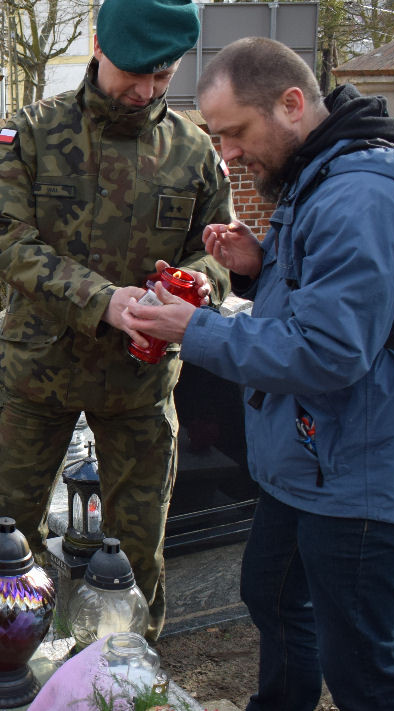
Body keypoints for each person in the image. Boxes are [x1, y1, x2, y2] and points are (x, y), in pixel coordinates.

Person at [122, 37, 394, 711]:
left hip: (361, 468)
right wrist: (260, 267)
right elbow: (326, 298)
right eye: (216, 137)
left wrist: (193, 329)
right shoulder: (324, 177)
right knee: (272, 592)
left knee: (364, 669)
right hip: (314, 458)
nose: (226, 154)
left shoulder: (360, 196)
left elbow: (328, 352)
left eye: (233, 132)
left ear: (290, 104)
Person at [0, 0, 233, 641]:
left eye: (163, 75)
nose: (146, 91)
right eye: (134, 72)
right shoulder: (32, 133)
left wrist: (195, 286)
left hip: (139, 384)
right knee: (7, 535)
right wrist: (101, 300)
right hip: (36, 375)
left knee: (136, 550)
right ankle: (14, 666)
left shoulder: (193, 151)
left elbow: (218, 253)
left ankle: (128, 674)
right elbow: (9, 239)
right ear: (99, 45)